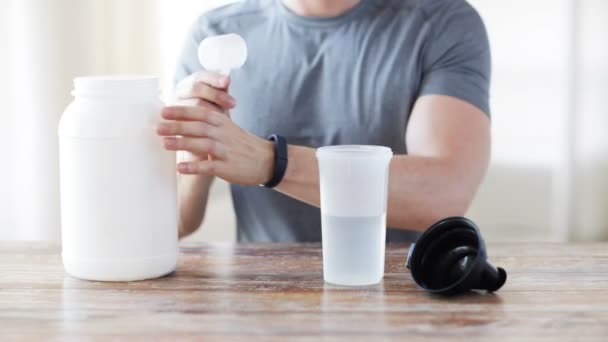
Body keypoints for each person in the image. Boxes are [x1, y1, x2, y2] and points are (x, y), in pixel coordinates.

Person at [155, 0, 491, 242]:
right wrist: (199, 143)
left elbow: (445, 194)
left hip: (402, 293)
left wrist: (273, 163)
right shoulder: (213, 32)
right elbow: (177, 221)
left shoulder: (442, 22)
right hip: (262, 301)